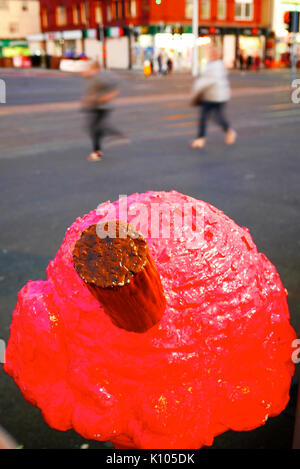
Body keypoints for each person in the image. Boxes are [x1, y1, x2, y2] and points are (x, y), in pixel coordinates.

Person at [190, 45, 236, 149]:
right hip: (212, 96)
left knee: (212, 117)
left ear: (217, 54)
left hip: (216, 97)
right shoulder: (213, 64)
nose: (211, 54)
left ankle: (202, 139)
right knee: (210, 117)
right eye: (210, 52)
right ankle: (202, 138)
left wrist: (197, 88)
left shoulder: (217, 66)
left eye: (213, 52)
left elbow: (209, 80)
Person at [81, 61, 126, 162]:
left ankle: (98, 152)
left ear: (96, 68)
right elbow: (90, 89)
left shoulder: (102, 77)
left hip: (103, 107)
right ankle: (115, 136)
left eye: (92, 68)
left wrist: (108, 96)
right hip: (95, 106)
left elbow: (115, 87)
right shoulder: (92, 76)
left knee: (95, 128)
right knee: (96, 128)